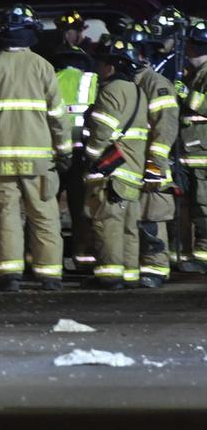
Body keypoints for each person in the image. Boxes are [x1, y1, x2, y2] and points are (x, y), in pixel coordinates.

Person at [0, 3, 71, 292]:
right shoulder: (42, 67)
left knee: (5, 216)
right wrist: (64, 151)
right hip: (37, 161)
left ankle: (9, 276)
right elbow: (58, 116)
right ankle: (50, 276)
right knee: (44, 215)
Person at [81, 37, 149, 289]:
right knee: (129, 227)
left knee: (108, 224)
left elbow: (102, 131)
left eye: (102, 62)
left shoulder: (111, 91)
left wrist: (91, 156)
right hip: (133, 171)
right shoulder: (138, 92)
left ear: (112, 65)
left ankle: (109, 276)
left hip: (112, 172)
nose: (99, 67)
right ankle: (129, 275)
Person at [126, 22, 180, 287]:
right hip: (128, 162)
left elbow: (165, 127)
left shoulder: (155, 84)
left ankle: (156, 268)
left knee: (152, 215)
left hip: (149, 163)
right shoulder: (126, 81)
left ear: (142, 54)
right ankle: (134, 266)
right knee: (131, 216)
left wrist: (155, 165)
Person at [51, 41, 99, 271]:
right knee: (82, 211)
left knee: (46, 209)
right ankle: (85, 260)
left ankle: (42, 260)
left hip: (54, 155)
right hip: (83, 155)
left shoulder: (50, 80)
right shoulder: (92, 81)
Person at [177, 17, 207, 271]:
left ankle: (204, 255)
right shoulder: (193, 73)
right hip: (191, 150)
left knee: (204, 205)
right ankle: (191, 254)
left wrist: (187, 95)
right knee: (192, 204)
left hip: (203, 151)